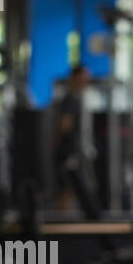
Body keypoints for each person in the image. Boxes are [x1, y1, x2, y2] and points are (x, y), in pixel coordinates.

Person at [53, 64, 93, 211]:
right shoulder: (70, 99)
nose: (86, 81)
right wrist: (58, 140)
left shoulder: (76, 99)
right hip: (67, 151)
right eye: (83, 78)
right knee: (67, 188)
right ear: (74, 78)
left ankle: (67, 219)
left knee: (70, 189)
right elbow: (65, 124)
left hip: (72, 150)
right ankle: (64, 225)